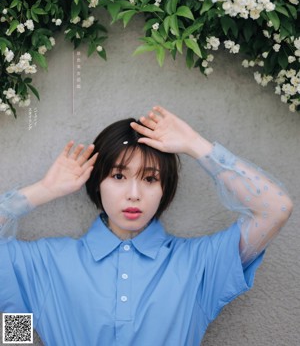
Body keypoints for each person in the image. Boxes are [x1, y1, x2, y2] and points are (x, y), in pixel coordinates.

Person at [0, 105, 293, 346]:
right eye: (118, 176)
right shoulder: (46, 262)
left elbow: (276, 209)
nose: (134, 194)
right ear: (97, 182)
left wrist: (196, 145)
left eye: (150, 179)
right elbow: (13, 324)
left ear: (165, 189)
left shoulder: (199, 264)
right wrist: (43, 190)